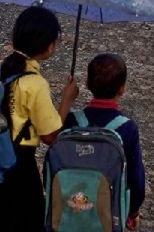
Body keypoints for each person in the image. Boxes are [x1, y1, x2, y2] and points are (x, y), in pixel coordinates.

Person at [0, 6, 79, 232]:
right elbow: (50, 136)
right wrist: (67, 100)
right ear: (49, 46)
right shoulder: (35, 84)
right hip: (17, 169)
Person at [62, 53, 145, 231]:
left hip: (71, 208)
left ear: (87, 84)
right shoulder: (128, 128)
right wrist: (133, 212)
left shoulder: (71, 121)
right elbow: (135, 177)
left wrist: (67, 98)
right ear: (122, 89)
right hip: (109, 213)